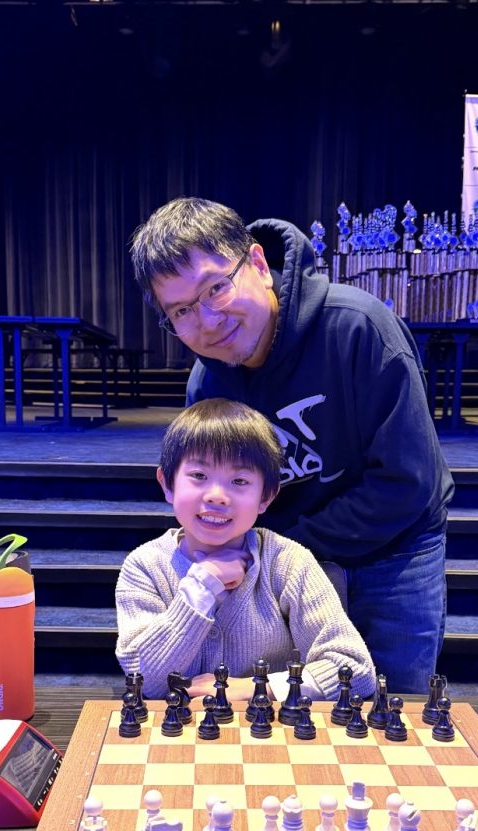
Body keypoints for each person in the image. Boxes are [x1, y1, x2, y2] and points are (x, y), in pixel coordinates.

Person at [129, 198, 454, 693]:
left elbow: (406, 482)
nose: (208, 321)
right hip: (290, 556)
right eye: (181, 311)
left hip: (393, 549)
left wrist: (287, 548)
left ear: (258, 264)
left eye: (216, 288)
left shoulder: (358, 328)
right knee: (294, 705)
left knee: (396, 702)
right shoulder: (208, 383)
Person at [115, 398, 375, 701]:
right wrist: (203, 586)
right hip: (177, 729)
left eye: (239, 480)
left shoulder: (287, 562)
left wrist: (257, 688)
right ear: (167, 484)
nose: (217, 496)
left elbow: (355, 670)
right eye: (199, 476)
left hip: (270, 727)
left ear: (266, 496)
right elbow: (145, 680)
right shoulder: (145, 566)